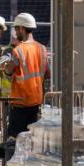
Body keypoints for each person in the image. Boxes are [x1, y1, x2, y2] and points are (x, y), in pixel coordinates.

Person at [3, 13, 49, 142]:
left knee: (15, 140)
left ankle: (12, 162)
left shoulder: (18, 50)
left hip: (19, 102)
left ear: (22, 29)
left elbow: (8, 71)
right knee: (32, 140)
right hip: (36, 102)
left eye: (17, 29)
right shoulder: (42, 49)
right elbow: (47, 74)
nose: (16, 32)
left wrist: (5, 66)